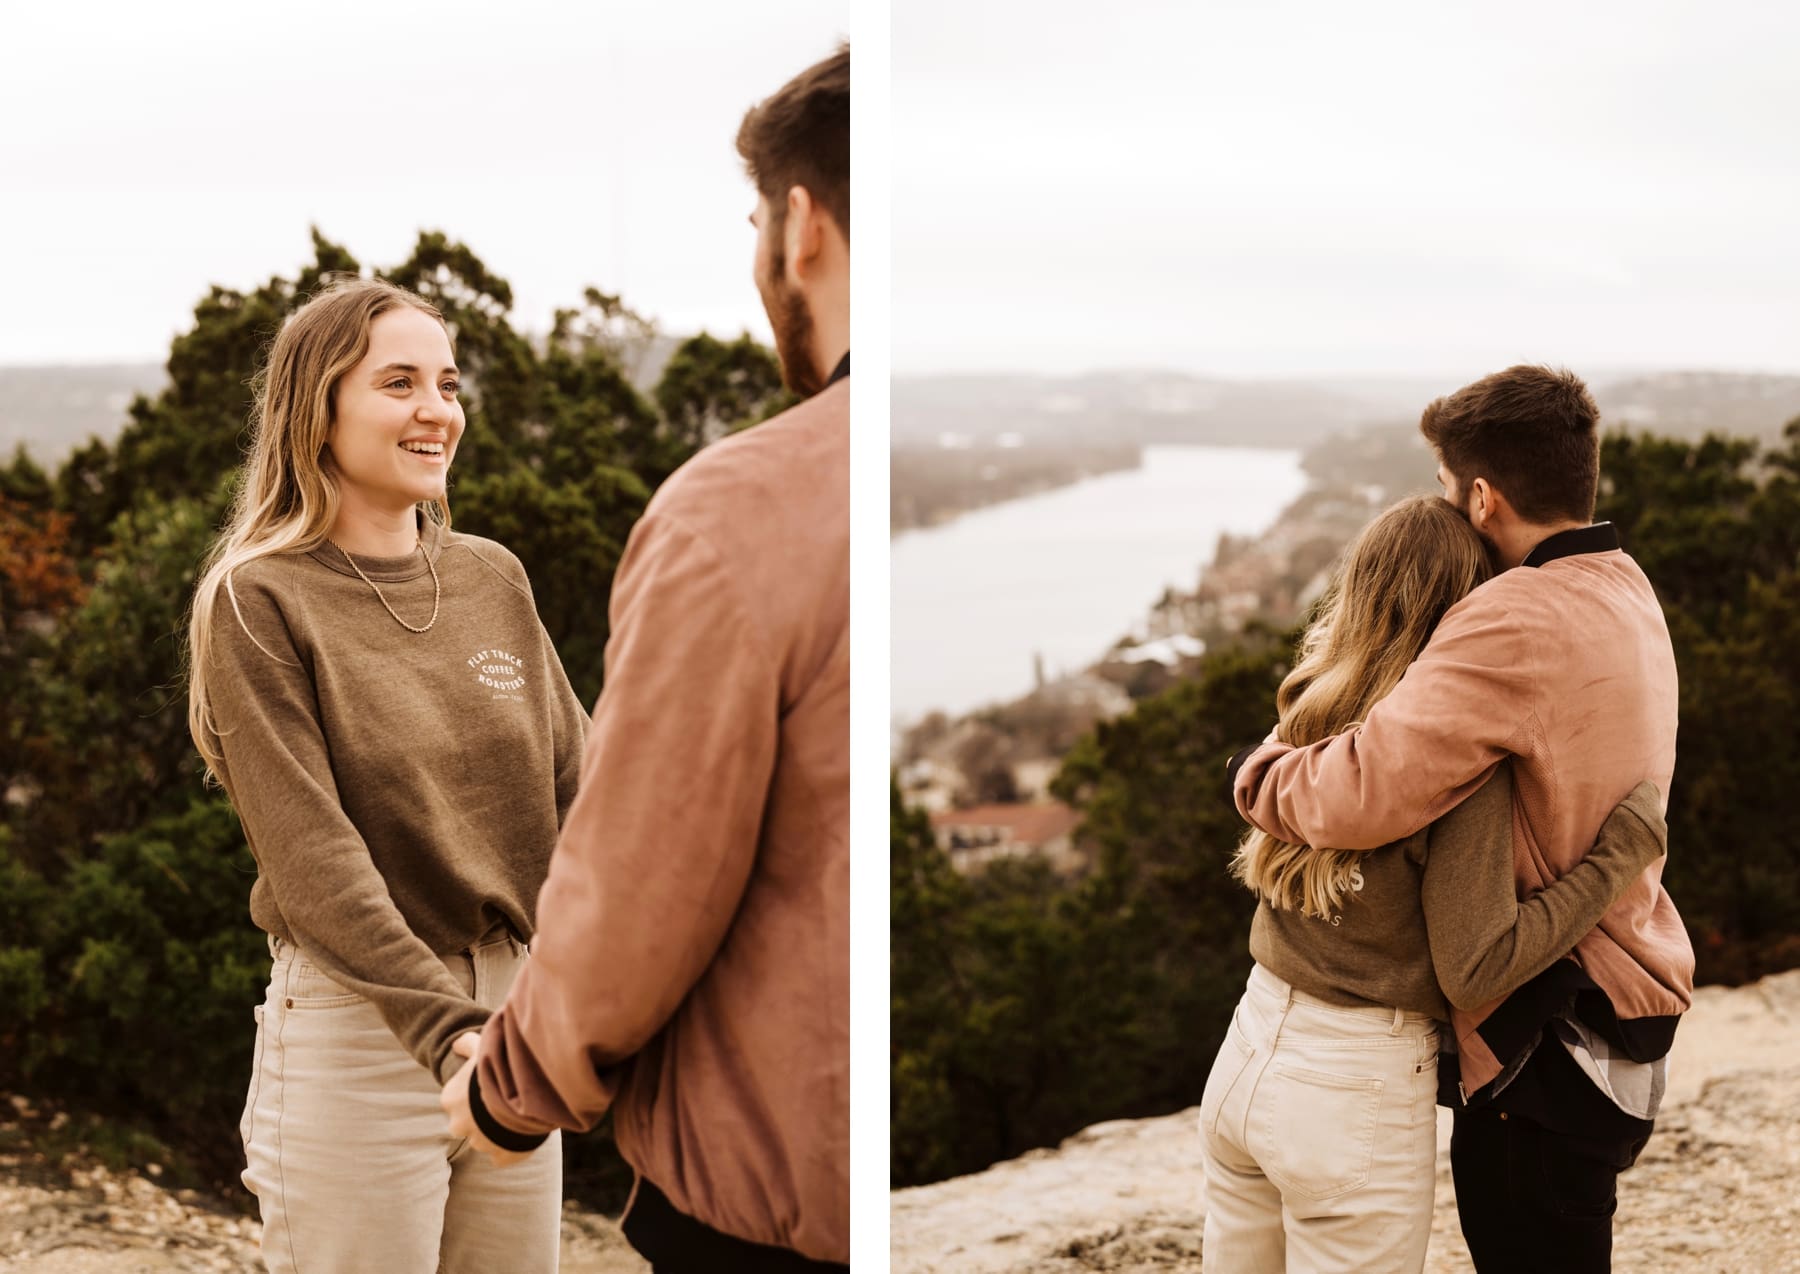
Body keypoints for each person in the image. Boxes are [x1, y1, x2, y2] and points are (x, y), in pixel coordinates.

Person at [439, 44, 850, 1273]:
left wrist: (511, 1085)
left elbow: (638, 869)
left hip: (761, 1217)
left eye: (443, 381)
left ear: (800, 222)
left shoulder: (740, 509)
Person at [1231, 365, 1694, 1272]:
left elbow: (1361, 792)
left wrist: (1257, 775)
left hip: (1550, 1039)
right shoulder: (1624, 584)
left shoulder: (1513, 615)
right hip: (1617, 1007)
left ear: (1481, 496)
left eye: (1448, 488)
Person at [185, 278, 588, 1274]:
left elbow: (589, 795)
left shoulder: (493, 576)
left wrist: (579, 998)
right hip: (358, 1033)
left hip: (515, 1015)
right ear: (315, 410)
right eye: (398, 382)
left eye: (447, 383)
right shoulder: (259, 597)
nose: (436, 409)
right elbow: (313, 855)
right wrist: (452, 1031)